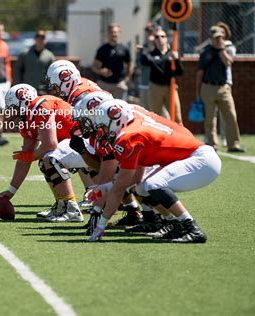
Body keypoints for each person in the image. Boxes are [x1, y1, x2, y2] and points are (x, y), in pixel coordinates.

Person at [86, 99, 222, 243]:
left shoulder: (128, 138)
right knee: (142, 188)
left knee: (153, 184)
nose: (103, 133)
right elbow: (134, 180)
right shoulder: (132, 128)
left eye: (104, 128)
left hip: (201, 160)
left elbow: (118, 190)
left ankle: (192, 228)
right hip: (195, 157)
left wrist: (101, 226)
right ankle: (174, 223)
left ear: (117, 121)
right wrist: (104, 188)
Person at [0, 84, 84, 222]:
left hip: (87, 142)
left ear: (24, 101)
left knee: (50, 159)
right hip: (75, 143)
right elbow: (25, 157)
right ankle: (62, 204)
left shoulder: (40, 107)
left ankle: (72, 209)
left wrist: (31, 156)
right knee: (45, 160)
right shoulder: (29, 117)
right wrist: (11, 191)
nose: (13, 113)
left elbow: (50, 144)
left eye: (15, 108)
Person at [196, 25, 244, 152]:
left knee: (231, 115)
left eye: (221, 38)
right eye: (216, 38)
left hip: (223, 88)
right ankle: (212, 144)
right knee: (210, 119)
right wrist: (198, 91)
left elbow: (229, 63)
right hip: (208, 87)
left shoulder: (226, 50)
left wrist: (222, 50)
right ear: (211, 38)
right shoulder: (205, 52)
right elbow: (200, 72)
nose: (219, 40)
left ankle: (233, 144)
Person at [141, 27, 184, 123]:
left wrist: (176, 60)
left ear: (166, 38)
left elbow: (180, 72)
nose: (160, 38)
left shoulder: (172, 52)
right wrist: (149, 44)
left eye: (162, 36)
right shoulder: (152, 53)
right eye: (156, 37)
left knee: (177, 118)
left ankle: (179, 138)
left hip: (171, 87)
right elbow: (144, 61)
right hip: (156, 87)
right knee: (154, 118)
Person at [91, 23, 133, 100]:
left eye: (115, 32)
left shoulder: (124, 49)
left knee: (119, 109)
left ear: (119, 33)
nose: (113, 34)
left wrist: (127, 79)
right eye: (111, 32)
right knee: (102, 107)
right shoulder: (102, 49)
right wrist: (100, 71)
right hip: (104, 84)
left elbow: (130, 64)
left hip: (119, 85)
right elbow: (94, 66)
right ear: (108, 34)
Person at [14, 30, 55, 94]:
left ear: (45, 41)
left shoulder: (50, 56)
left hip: (43, 90)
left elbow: (52, 74)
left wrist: (50, 89)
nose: (40, 41)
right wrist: (18, 86)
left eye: (42, 39)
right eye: (38, 38)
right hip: (27, 90)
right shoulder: (25, 53)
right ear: (35, 40)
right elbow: (18, 70)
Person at [136, 23, 155, 109]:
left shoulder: (162, 47)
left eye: (151, 32)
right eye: (147, 32)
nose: (149, 35)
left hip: (158, 86)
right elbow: (139, 65)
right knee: (146, 110)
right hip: (145, 84)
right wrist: (144, 52)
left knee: (162, 114)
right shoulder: (143, 48)